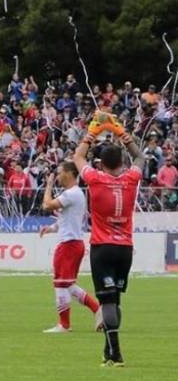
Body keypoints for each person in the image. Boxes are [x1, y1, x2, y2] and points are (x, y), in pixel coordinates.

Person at [73, 128, 143, 367]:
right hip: (125, 249)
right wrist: (123, 133)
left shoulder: (95, 178)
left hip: (102, 247)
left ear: (101, 164)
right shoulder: (131, 178)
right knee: (115, 300)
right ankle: (107, 351)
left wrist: (92, 132)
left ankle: (116, 354)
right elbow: (141, 158)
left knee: (107, 302)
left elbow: (78, 157)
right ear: (123, 162)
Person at [39, 161, 101, 333]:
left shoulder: (72, 193)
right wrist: (51, 228)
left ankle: (64, 325)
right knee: (67, 284)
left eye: (60, 172)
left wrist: (49, 185)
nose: (58, 176)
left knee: (60, 284)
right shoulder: (75, 194)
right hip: (73, 242)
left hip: (69, 244)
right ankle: (97, 309)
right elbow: (66, 220)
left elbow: (47, 205)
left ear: (69, 173)